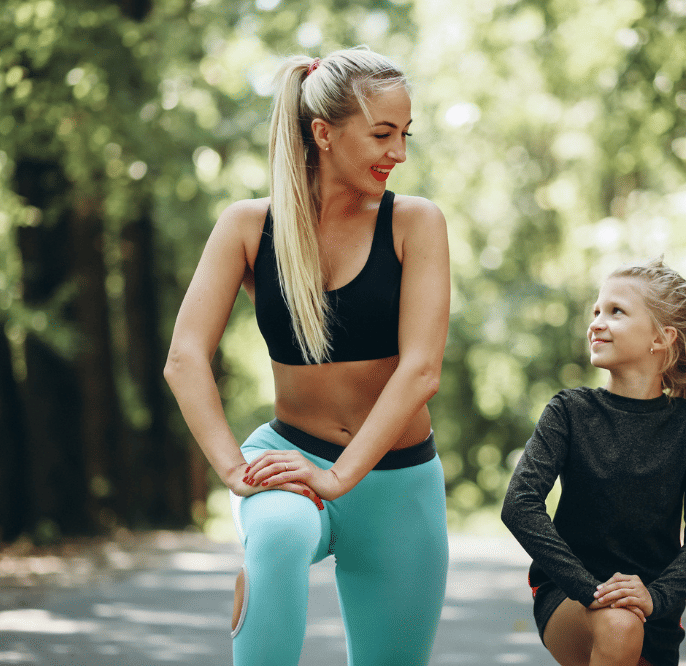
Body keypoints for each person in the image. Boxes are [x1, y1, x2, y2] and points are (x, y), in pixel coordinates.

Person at [163, 47, 450, 666]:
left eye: (405, 134)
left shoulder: (415, 223)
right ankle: (268, 575)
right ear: (322, 132)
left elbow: (421, 368)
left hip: (397, 484)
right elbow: (184, 357)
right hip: (290, 461)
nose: (398, 152)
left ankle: (267, 579)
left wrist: (340, 477)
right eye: (381, 134)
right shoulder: (247, 227)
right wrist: (234, 471)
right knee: (278, 532)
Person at [501, 258, 686, 666]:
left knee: (626, 623)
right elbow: (519, 504)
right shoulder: (569, 411)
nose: (596, 322)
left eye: (616, 312)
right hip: (569, 599)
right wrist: (591, 589)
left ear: (661, 338)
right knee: (618, 624)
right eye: (596, 310)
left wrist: (656, 597)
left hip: (654, 612)